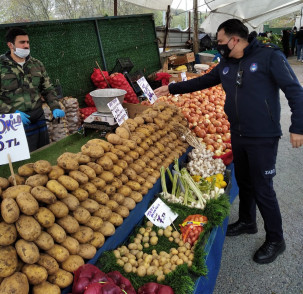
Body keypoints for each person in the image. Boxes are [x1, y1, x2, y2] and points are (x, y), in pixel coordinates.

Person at [154, 18, 303, 264]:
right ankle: (247, 221)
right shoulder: (226, 63)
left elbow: (295, 90)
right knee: (244, 180)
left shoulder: (269, 57)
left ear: (235, 40)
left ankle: (276, 239)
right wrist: (172, 89)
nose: (218, 46)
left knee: (263, 187)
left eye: (221, 41)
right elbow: (202, 81)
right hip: (238, 133)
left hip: (263, 135)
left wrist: (298, 126)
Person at [0, 27, 65, 152]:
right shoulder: (1, 66)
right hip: (11, 123)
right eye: (22, 42)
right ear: (10, 45)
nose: (26, 46)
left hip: (38, 118)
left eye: (27, 42)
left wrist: (55, 106)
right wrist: (11, 112)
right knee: (22, 163)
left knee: (43, 154)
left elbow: (48, 89)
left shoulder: (36, 64)